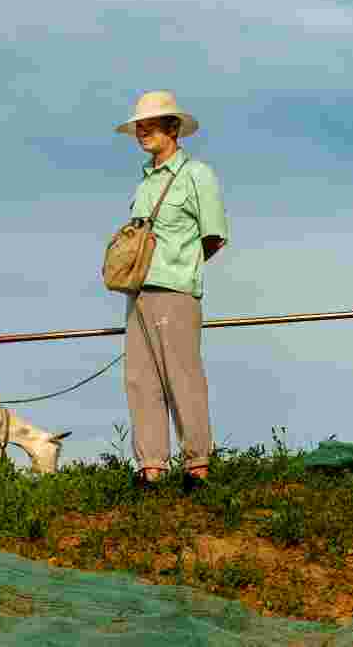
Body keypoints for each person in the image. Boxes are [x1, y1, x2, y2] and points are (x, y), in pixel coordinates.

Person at [114, 90, 230, 493]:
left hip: (176, 291)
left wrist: (181, 268)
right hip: (138, 292)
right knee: (140, 380)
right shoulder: (143, 182)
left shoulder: (197, 174)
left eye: (150, 125)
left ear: (173, 128)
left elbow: (214, 236)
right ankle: (151, 469)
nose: (142, 132)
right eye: (139, 126)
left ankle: (197, 467)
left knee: (183, 377)